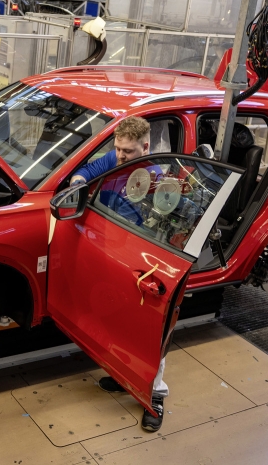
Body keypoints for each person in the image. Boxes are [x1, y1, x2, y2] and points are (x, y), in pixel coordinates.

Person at [70, 116, 168, 432]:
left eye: (128, 151)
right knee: (118, 322)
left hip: (140, 260)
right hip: (112, 248)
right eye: (118, 149)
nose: (121, 156)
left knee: (149, 331)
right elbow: (87, 171)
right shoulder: (115, 157)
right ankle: (126, 375)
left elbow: (159, 229)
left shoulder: (156, 179)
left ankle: (155, 397)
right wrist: (77, 182)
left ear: (145, 147)